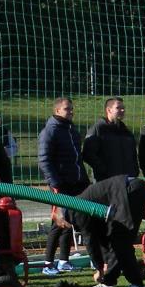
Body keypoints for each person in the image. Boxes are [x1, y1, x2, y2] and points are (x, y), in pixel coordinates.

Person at [73, 174, 145, 287]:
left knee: (120, 241)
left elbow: (90, 241)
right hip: (135, 189)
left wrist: (99, 269)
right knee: (120, 240)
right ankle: (110, 283)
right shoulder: (81, 203)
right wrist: (104, 264)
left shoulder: (78, 211)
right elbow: (102, 237)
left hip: (130, 191)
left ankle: (135, 284)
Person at [37, 96, 86, 275]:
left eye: (72, 109)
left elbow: (77, 158)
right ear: (57, 111)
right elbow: (44, 160)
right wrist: (55, 183)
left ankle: (64, 261)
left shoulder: (71, 130)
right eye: (67, 109)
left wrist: (83, 178)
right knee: (57, 222)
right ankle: (47, 263)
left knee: (69, 222)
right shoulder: (50, 131)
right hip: (60, 184)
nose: (71, 112)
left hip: (75, 183)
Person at [82, 97, 138, 183]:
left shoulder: (127, 132)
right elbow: (88, 154)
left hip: (127, 181)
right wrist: (103, 170)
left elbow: (133, 155)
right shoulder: (98, 129)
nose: (122, 110)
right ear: (109, 110)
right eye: (118, 108)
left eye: (123, 108)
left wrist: (134, 171)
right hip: (105, 183)